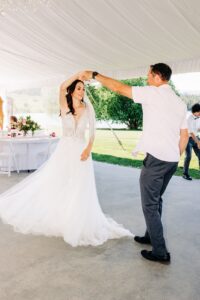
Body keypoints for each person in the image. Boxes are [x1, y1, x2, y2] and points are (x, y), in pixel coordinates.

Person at [0, 74, 133, 247]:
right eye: (79, 88)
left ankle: (77, 219)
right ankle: (61, 215)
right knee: (61, 182)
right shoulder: (64, 106)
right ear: (72, 91)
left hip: (81, 151)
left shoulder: (87, 108)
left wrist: (88, 149)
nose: (82, 91)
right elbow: (62, 87)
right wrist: (79, 75)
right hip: (65, 150)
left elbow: (92, 133)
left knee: (80, 185)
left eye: (83, 89)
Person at [79, 63, 189, 263]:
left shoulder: (152, 93)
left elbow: (118, 88)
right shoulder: (180, 103)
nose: (147, 78)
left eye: (149, 75)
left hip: (156, 160)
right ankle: (150, 236)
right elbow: (184, 136)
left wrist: (94, 75)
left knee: (149, 205)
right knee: (156, 200)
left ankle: (160, 252)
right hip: (171, 161)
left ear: (157, 77)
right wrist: (174, 155)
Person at [183, 103, 200, 180]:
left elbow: (197, 129)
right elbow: (191, 132)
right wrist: (198, 142)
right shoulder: (189, 119)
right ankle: (185, 174)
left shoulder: (198, 118)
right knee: (188, 156)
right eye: (199, 112)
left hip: (196, 137)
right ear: (195, 111)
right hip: (189, 139)